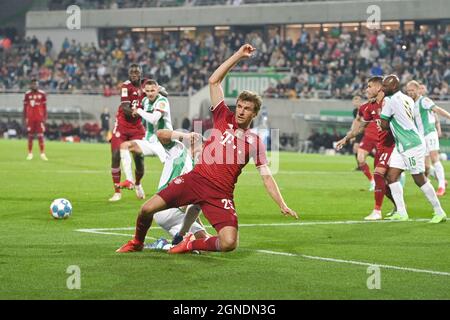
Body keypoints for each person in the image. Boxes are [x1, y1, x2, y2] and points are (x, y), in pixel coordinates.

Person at [116, 44, 298, 254]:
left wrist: (281, 204)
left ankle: (190, 243)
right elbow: (214, 81)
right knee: (146, 209)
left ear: (254, 114)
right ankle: (137, 243)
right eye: (239, 106)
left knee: (229, 243)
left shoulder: (255, 142)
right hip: (196, 179)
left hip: (220, 194)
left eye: (247, 109)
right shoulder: (223, 116)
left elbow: (266, 177)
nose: (240, 111)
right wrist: (238, 55)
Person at [379, 75, 446, 223]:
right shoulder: (407, 99)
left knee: (419, 178)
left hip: (411, 145)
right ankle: (402, 212)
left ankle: (439, 211)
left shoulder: (389, 101)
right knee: (391, 176)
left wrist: (381, 118)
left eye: (386, 86)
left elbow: (383, 125)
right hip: (402, 144)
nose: (383, 88)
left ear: (394, 87)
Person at [336, 76, 397, 220]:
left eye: (369, 86)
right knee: (384, 179)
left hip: (394, 145)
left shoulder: (391, 102)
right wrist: (345, 139)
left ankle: (377, 211)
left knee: (381, 175)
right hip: (381, 146)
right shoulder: (367, 107)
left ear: (378, 87)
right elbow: (359, 127)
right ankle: (399, 207)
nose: (366, 89)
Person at [147, 129, 210, 248]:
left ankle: (164, 245)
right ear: (199, 144)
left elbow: (192, 207)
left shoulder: (196, 169)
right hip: (165, 206)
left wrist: (202, 229)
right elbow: (160, 134)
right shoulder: (179, 150)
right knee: (204, 242)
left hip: (173, 213)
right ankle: (176, 242)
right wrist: (186, 136)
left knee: (201, 242)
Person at [117, 80, 170, 199]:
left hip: (165, 142)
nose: (150, 93)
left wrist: (139, 111)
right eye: (148, 91)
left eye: (153, 90)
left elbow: (154, 119)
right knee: (125, 146)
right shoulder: (145, 101)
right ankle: (131, 181)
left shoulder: (162, 101)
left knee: (172, 171)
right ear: (144, 91)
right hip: (149, 141)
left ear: (157, 90)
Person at [109, 64, 148, 202]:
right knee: (115, 155)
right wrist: (137, 112)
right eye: (131, 72)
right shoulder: (126, 87)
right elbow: (125, 107)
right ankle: (117, 191)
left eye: (136, 72)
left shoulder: (147, 85)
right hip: (122, 126)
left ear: (141, 73)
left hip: (137, 129)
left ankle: (137, 183)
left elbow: (159, 91)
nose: (133, 74)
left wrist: (161, 91)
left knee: (139, 159)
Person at [406, 80, 450, 196]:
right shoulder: (410, 103)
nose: (410, 92)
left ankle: (441, 187)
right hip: (419, 136)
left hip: (429, 133)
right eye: (408, 90)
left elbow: (438, 110)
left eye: (412, 90)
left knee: (434, 157)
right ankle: (441, 181)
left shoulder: (424, 100)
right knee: (425, 166)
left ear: (417, 90)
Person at [23, 78, 48, 161]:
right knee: (30, 136)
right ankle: (30, 153)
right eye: (33, 84)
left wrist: (45, 118)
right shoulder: (27, 94)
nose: (35, 85)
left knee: (41, 136)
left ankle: (42, 154)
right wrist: (24, 118)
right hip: (30, 118)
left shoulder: (42, 94)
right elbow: (24, 107)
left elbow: (44, 108)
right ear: (31, 85)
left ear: (38, 85)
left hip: (39, 118)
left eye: (36, 84)